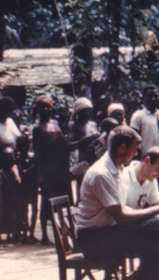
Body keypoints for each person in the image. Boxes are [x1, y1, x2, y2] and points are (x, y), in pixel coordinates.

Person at [75, 126, 159, 280]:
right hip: (94, 240)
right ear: (122, 148)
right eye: (134, 149)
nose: (137, 153)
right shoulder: (102, 173)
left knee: (157, 245)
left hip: (109, 233)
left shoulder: (116, 169)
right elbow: (122, 217)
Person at [31, 95, 71, 245]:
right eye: (43, 107)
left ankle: (63, 233)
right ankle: (45, 237)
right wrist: (40, 174)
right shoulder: (37, 128)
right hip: (47, 169)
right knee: (46, 203)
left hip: (59, 167)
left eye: (48, 106)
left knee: (61, 202)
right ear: (38, 109)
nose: (46, 109)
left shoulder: (56, 123)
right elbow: (38, 153)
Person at [67, 97, 101, 194]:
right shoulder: (74, 126)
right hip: (84, 164)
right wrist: (84, 141)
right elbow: (69, 146)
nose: (88, 114)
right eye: (85, 112)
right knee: (86, 193)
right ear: (78, 113)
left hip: (96, 161)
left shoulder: (93, 124)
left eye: (90, 111)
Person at [0, 146, 24, 243]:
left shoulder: (14, 170)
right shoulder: (1, 172)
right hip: (4, 198)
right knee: (2, 216)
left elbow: (18, 182)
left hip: (12, 197)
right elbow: (0, 185)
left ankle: (11, 235)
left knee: (12, 216)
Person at [130, 85, 159, 153]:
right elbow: (134, 139)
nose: (153, 99)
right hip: (146, 158)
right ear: (143, 98)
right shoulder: (138, 116)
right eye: (149, 96)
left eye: (155, 96)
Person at [16, 135, 39, 242]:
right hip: (23, 188)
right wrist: (34, 166)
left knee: (35, 209)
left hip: (33, 186)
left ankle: (32, 234)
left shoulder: (32, 156)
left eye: (27, 144)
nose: (25, 146)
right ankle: (24, 233)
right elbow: (22, 173)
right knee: (24, 210)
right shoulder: (18, 157)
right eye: (22, 144)